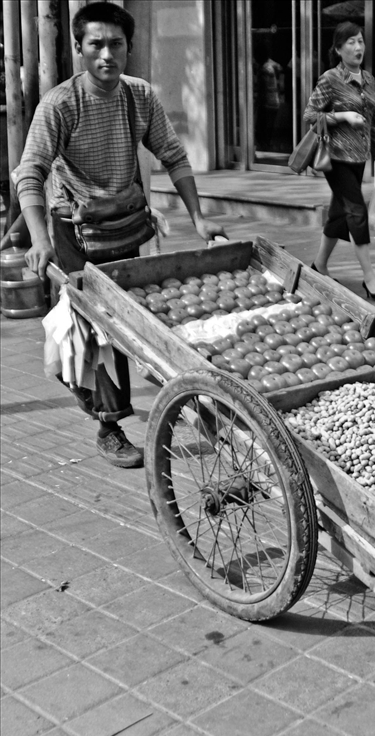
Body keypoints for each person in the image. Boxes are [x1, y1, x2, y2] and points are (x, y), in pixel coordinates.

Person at [17, 2, 224, 468]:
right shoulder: (60, 105)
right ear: (78, 49)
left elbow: (174, 155)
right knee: (98, 331)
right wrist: (39, 238)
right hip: (74, 231)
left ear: (128, 47)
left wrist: (198, 218)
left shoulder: (139, 96)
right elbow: (29, 173)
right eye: (96, 45)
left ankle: (192, 403)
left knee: (142, 321)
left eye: (116, 44)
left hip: (125, 225)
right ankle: (109, 426)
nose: (107, 55)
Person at [304, 21, 375, 301]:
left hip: (360, 158)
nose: (358, 47)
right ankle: (369, 277)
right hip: (337, 158)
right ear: (339, 49)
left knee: (339, 214)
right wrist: (342, 117)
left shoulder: (369, 81)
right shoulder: (330, 79)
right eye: (351, 42)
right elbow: (309, 116)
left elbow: (371, 123)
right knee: (356, 211)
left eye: (361, 41)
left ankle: (319, 266)